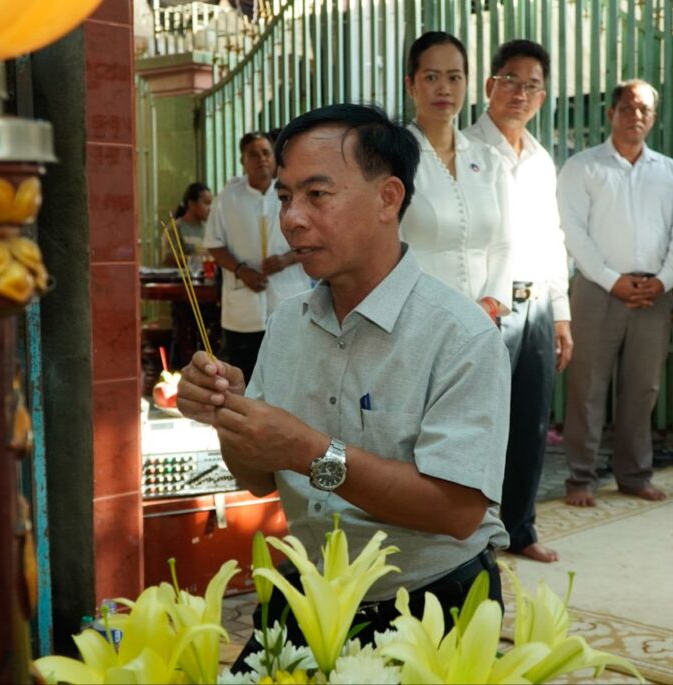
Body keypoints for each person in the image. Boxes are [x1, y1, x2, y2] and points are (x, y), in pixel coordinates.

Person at [177, 104, 510, 661]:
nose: (291, 219)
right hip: (311, 598)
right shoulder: (287, 323)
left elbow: (456, 512)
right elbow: (256, 479)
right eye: (285, 197)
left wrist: (311, 453)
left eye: (317, 194)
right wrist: (227, 414)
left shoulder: (460, 335)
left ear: (388, 199)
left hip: (429, 607)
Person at [557, 79, 673, 507]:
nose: (637, 116)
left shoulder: (670, 172)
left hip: (654, 293)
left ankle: (634, 476)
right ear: (611, 113)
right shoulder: (583, 167)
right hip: (597, 290)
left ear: (653, 118)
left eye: (645, 110)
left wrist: (664, 280)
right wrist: (610, 279)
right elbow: (572, 231)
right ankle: (580, 478)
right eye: (629, 108)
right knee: (587, 387)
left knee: (643, 389)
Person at [464, 39, 570, 563]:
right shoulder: (465, 150)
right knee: (481, 421)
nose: (520, 93)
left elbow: (552, 236)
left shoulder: (542, 159)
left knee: (531, 420)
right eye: (510, 80)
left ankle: (520, 528)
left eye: (532, 85)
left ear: (542, 97)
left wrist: (562, 313)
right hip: (487, 307)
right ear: (490, 85)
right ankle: (471, 532)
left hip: (537, 305)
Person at [399, 31, 513, 323]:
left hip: (482, 322)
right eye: (431, 77)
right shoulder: (393, 160)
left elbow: (503, 244)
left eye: (454, 77)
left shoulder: (488, 159)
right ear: (410, 85)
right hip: (417, 319)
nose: (444, 89)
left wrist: (489, 305)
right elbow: (383, 252)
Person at [207, 132, 309, 382]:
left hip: (288, 297)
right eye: (253, 154)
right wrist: (241, 270)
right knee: (245, 378)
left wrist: (285, 260)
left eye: (266, 152)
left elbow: (314, 236)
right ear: (242, 160)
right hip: (244, 309)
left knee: (290, 378)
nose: (261, 158)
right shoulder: (228, 198)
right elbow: (214, 244)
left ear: (274, 157)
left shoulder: (294, 193)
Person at [165, 182, 217, 369]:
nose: (210, 208)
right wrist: (197, 259)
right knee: (185, 329)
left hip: (208, 288)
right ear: (191, 203)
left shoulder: (210, 228)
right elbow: (169, 258)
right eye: (206, 203)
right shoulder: (176, 227)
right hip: (184, 290)